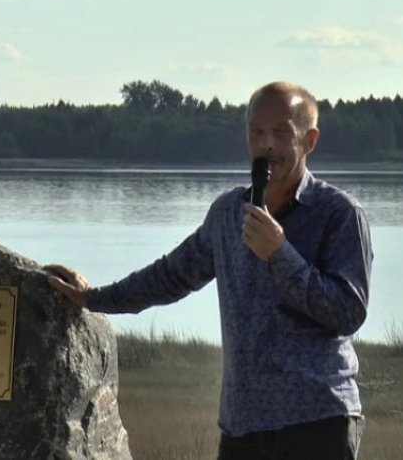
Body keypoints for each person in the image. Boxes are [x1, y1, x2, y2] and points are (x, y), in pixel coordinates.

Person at [46, 81, 372, 460]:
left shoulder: (341, 214)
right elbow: (170, 276)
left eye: (282, 132)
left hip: (319, 421)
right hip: (242, 428)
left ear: (310, 140)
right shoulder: (228, 213)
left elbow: (348, 313)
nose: (267, 145)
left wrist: (280, 253)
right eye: (257, 133)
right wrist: (93, 298)